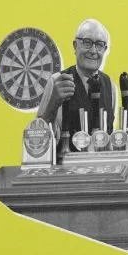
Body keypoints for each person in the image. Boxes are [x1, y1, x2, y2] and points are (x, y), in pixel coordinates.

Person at [36, 18, 115, 156]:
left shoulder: (110, 86)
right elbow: (38, 138)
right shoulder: (57, 81)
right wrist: (53, 104)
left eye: (100, 45)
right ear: (75, 45)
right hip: (65, 172)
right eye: (87, 43)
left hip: (101, 171)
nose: (93, 50)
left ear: (105, 50)